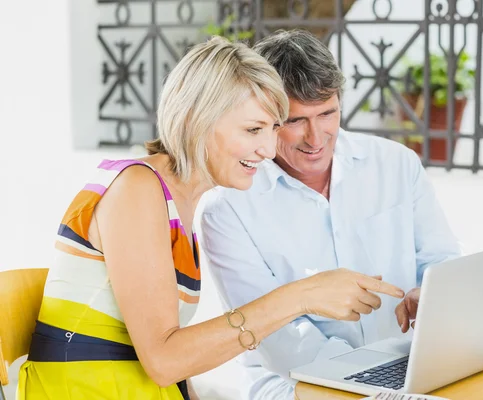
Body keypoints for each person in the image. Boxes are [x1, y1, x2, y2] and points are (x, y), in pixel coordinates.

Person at [18, 36, 404, 400]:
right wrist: (303, 296)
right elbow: (165, 360)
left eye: (272, 128)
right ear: (193, 121)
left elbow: (176, 358)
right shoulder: (136, 188)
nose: (269, 150)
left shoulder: (179, 203)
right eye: (253, 129)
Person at [200, 30, 462, 399]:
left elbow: (443, 261)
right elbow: (278, 342)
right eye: (295, 121)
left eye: (327, 114)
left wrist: (432, 295)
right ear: (265, 116)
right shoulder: (227, 208)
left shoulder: (395, 163)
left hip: (406, 368)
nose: (316, 137)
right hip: (292, 381)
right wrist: (374, 383)